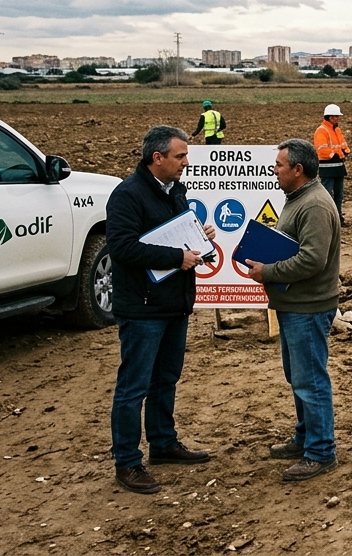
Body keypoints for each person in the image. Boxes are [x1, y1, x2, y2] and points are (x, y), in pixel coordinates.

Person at [105, 125, 217, 494]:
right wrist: (176, 256)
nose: (186, 162)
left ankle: (163, 443)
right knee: (133, 386)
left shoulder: (175, 190)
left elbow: (175, 232)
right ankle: (127, 462)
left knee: (165, 379)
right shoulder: (127, 195)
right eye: (180, 156)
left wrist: (200, 237)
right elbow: (122, 247)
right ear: (157, 158)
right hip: (142, 308)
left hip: (174, 303)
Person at [244, 139, 342, 482]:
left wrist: (268, 272)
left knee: (310, 381)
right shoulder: (299, 198)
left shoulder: (313, 205)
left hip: (308, 307)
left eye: (279, 165)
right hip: (295, 305)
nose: (274, 170)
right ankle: (306, 437)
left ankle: (321, 451)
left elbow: (313, 259)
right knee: (299, 377)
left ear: (298, 170)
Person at [314, 103, 351, 223]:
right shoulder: (322, 130)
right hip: (328, 168)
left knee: (339, 194)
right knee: (328, 195)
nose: (338, 118)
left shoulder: (336, 129)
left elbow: (342, 144)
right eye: (336, 116)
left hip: (338, 167)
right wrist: (335, 155)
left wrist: (345, 151)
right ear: (329, 117)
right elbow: (322, 149)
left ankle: (338, 218)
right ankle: (326, 219)